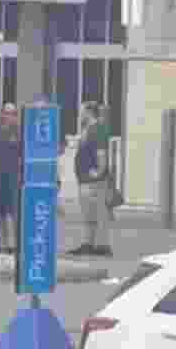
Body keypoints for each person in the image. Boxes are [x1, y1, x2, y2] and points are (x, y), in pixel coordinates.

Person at [71, 102, 113, 257]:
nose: (80, 114)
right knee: (89, 214)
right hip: (85, 180)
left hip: (92, 181)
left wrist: (99, 171)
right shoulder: (88, 129)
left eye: (82, 111)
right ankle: (88, 244)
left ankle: (101, 246)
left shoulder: (97, 129)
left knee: (96, 213)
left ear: (89, 112)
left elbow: (101, 152)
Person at [0, 102, 23, 253]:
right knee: (0, 214)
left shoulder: (20, 133)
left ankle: (18, 245)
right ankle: (3, 244)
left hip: (14, 179)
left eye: (13, 113)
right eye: (7, 113)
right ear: (2, 114)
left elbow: (24, 157)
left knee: (15, 214)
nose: (10, 116)